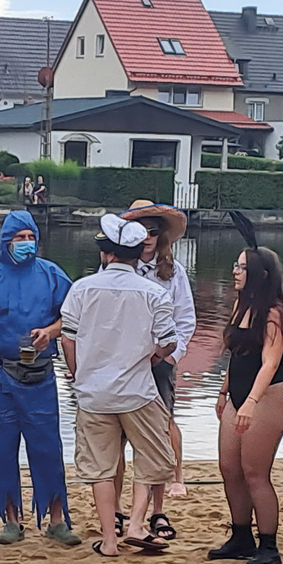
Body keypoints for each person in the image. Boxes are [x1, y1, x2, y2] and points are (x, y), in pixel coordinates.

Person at [60, 213, 177, 558]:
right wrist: (152, 357)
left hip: (93, 392)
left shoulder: (82, 288)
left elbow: (68, 338)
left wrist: (77, 372)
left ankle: (109, 539)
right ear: (139, 253)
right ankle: (138, 523)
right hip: (136, 390)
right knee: (153, 456)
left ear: (106, 254)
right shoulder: (153, 292)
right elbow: (169, 341)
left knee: (100, 466)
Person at [0, 209, 79, 546]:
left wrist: (50, 332)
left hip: (40, 376)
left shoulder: (52, 275)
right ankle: (10, 519)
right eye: (19, 238)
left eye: (31, 238)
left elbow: (72, 317)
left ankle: (57, 519)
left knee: (47, 449)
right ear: (6, 241)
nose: (26, 243)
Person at [210, 227, 283, 564]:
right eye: (235, 265)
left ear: (260, 275)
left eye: (241, 267)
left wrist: (250, 401)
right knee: (229, 467)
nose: (235, 271)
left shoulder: (273, 312)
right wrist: (224, 392)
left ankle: (269, 544)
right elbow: (237, 355)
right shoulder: (240, 305)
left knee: (254, 472)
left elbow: (270, 362)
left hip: (269, 394)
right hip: (238, 391)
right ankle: (240, 535)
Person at [113, 199, 197, 542]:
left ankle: (158, 510)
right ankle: (118, 511)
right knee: (116, 437)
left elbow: (185, 320)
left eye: (153, 230)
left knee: (160, 433)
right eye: (140, 230)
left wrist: (169, 357)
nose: (146, 237)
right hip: (122, 363)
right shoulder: (116, 268)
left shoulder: (174, 272)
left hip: (159, 364)